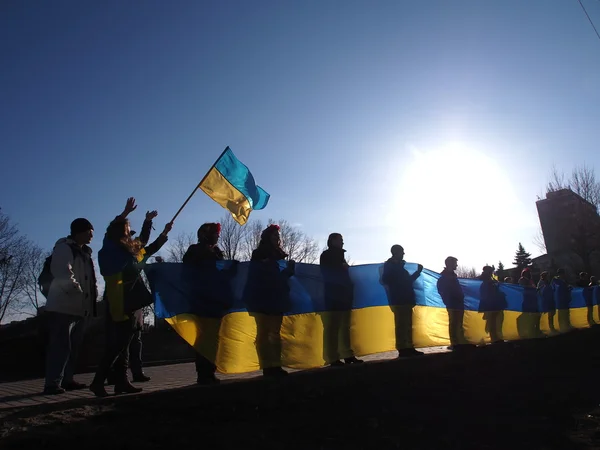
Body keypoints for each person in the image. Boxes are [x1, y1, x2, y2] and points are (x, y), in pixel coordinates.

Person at [90, 198, 171, 397]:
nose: (129, 231)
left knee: (125, 344)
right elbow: (116, 232)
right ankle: (99, 381)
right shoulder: (111, 250)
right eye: (127, 229)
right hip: (119, 301)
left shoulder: (129, 252)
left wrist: (160, 231)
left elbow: (146, 245)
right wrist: (125, 213)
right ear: (121, 232)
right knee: (118, 344)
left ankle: (121, 382)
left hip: (132, 301)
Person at [43, 218, 98, 395]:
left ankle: (67, 379)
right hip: (62, 306)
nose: (92, 235)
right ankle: (52, 382)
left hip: (79, 308)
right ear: (80, 231)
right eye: (90, 231)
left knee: (73, 347)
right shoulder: (64, 248)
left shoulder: (85, 253)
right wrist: (77, 290)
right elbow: (62, 271)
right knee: (60, 346)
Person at [183, 222, 237, 385]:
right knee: (204, 337)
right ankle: (203, 373)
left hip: (216, 300)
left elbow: (219, 276)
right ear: (205, 234)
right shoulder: (195, 250)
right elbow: (189, 271)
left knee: (214, 338)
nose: (218, 236)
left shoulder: (217, 253)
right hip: (202, 300)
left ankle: (210, 371)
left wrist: (231, 271)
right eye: (215, 233)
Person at [247, 224, 295, 378]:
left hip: (277, 297)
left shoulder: (279, 255)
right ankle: (267, 366)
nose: (277, 238)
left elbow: (278, 278)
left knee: (275, 333)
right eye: (274, 235)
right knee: (263, 333)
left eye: (278, 236)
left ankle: (276, 364)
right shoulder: (259, 253)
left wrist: (288, 272)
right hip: (262, 297)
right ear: (267, 237)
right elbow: (258, 275)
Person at [320, 233, 362, 365]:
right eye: (340, 240)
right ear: (332, 241)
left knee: (345, 327)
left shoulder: (341, 256)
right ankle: (333, 358)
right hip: (333, 296)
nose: (342, 242)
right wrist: (341, 269)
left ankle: (347, 355)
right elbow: (326, 273)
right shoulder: (326, 255)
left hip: (345, 295)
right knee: (333, 328)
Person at [381, 244, 424, 357]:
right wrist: (396, 272)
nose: (404, 254)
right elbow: (385, 279)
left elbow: (408, 281)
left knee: (408, 324)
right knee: (401, 325)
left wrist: (418, 272)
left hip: (407, 298)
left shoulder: (401, 267)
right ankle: (402, 349)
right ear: (396, 252)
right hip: (399, 299)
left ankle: (409, 347)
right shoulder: (390, 265)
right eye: (402, 251)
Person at [437, 256, 470, 350]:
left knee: (459, 323)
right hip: (452, 303)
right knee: (453, 323)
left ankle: (461, 341)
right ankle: (454, 343)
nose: (457, 265)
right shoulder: (443, 276)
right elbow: (441, 290)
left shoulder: (453, 276)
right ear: (449, 264)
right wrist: (448, 300)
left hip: (459, 303)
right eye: (455, 263)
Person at [477, 265, 505, 343]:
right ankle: (494, 337)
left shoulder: (492, 280)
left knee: (496, 320)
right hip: (489, 304)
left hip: (495, 303)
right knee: (491, 321)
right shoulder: (484, 280)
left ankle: (497, 336)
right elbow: (485, 292)